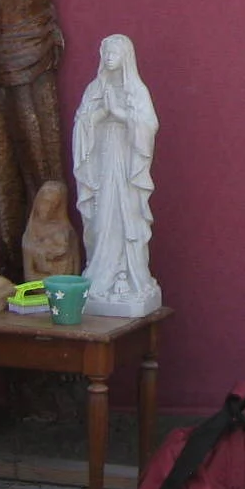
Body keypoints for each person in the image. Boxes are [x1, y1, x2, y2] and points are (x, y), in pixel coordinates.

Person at [73, 34, 160, 317]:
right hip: (102, 163)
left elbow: (148, 124)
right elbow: (81, 124)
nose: (109, 56)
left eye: (114, 52)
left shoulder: (136, 90)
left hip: (125, 166)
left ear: (126, 56)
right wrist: (98, 116)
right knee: (101, 218)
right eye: (106, 52)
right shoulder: (95, 88)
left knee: (127, 216)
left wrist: (120, 113)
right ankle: (100, 273)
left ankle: (129, 274)